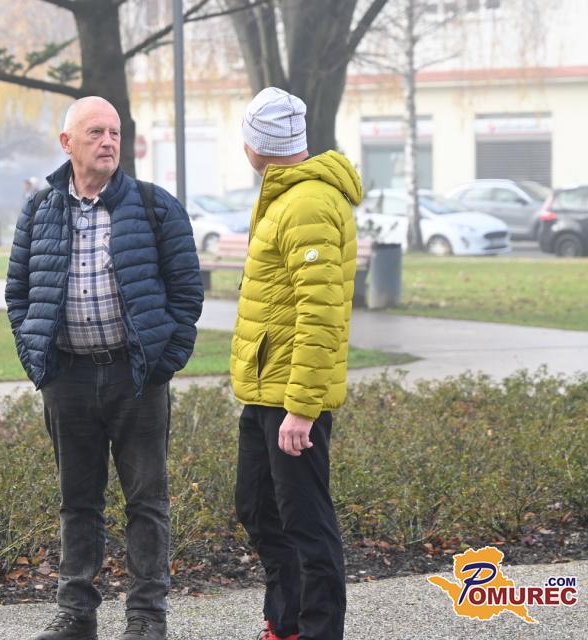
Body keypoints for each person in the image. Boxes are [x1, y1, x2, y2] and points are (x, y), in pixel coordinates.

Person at [6, 97, 203, 640]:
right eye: (95, 132)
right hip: (66, 378)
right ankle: (77, 613)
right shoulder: (39, 209)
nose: (109, 142)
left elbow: (187, 293)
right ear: (67, 143)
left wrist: (163, 361)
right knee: (78, 502)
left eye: (114, 132)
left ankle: (146, 616)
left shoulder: (155, 206)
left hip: (136, 377)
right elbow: (18, 293)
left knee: (147, 502)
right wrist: (37, 357)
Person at [230, 88, 363, 640]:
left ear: (257, 142)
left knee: (306, 523)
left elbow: (321, 312)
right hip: (266, 391)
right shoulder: (285, 197)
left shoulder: (307, 203)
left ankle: (319, 631)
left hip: (291, 399)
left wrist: (302, 409)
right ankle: (285, 624)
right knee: (259, 509)